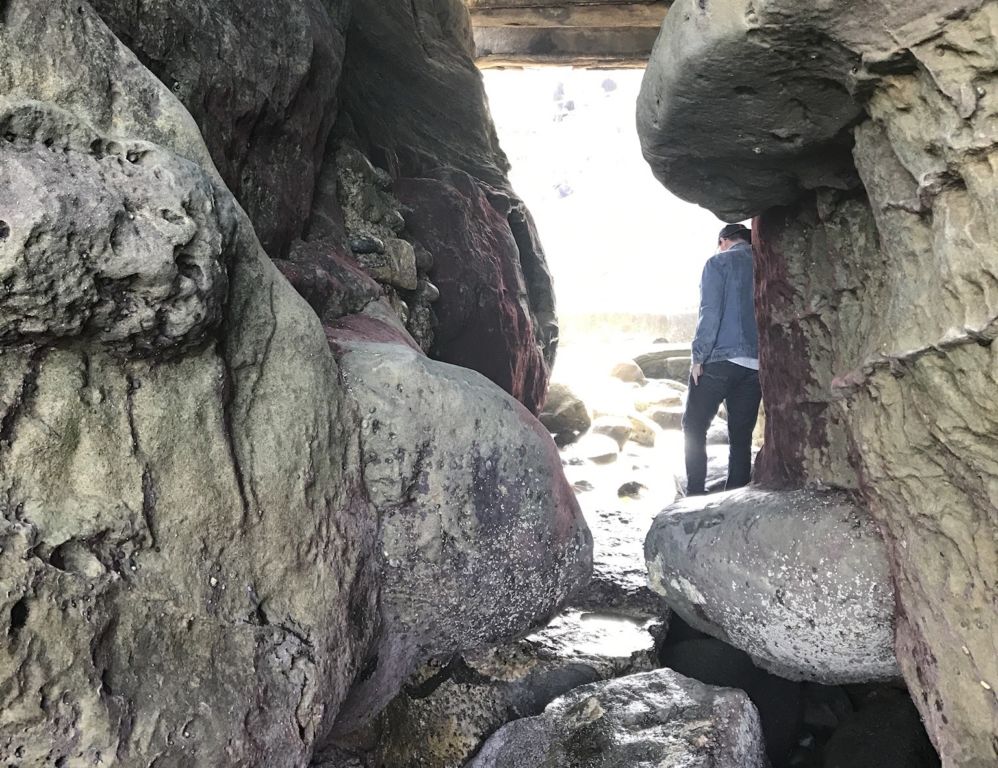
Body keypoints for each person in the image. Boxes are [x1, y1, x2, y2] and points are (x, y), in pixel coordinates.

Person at [683, 223, 762, 496]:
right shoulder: (764, 264)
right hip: (755, 366)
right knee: (741, 438)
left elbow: (710, 312)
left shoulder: (718, 263)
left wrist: (698, 357)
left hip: (719, 361)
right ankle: (735, 497)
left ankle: (694, 494)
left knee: (694, 427)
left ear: (723, 241)